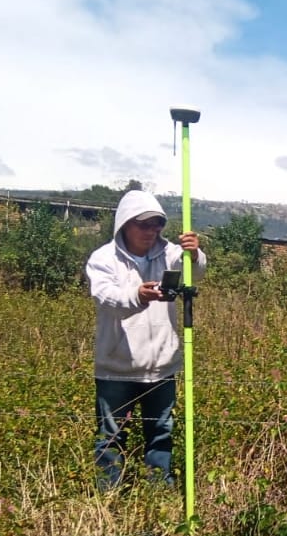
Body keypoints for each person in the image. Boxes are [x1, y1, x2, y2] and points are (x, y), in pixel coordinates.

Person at [85, 189, 206, 490]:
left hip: (162, 369)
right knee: (111, 438)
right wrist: (136, 295)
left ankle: (158, 496)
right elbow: (105, 297)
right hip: (117, 369)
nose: (151, 231)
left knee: (161, 437)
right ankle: (109, 501)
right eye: (144, 224)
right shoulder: (103, 259)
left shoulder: (170, 254)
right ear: (125, 223)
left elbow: (195, 273)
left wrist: (194, 254)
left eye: (157, 224)